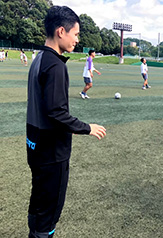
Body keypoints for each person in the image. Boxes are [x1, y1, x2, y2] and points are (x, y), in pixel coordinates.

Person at [26, 6, 106, 238]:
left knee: (38, 202)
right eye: (76, 34)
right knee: (48, 213)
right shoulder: (55, 65)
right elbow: (56, 113)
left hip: (36, 145)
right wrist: (87, 128)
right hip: (52, 152)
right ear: (61, 31)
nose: (77, 39)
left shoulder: (39, 59)